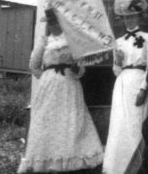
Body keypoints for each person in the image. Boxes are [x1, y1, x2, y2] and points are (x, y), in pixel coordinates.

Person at [18, 10, 104, 173]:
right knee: (47, 119)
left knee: (69, 120)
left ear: (61, 23)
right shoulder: (44, 41)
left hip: (69, 85)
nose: (53, 25)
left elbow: (81, 70)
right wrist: (46, 78)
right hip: (50, 87)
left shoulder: (72, 42)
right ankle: (46, 159)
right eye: (50, 22)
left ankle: (68, 159)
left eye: (55, 22)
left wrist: (75, 69)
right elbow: (34, 66)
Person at [103, 0, 148, 174]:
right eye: (126, 18)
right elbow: (116, 71)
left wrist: (144, 88)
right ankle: (116, 167)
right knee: (119, 123)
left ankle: (136, 165)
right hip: (122, 84)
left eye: (132, 17)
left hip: (138, 82)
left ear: (139, 16)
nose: (129, 21)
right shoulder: (118, 42)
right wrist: (117, 60)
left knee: (134, 123)